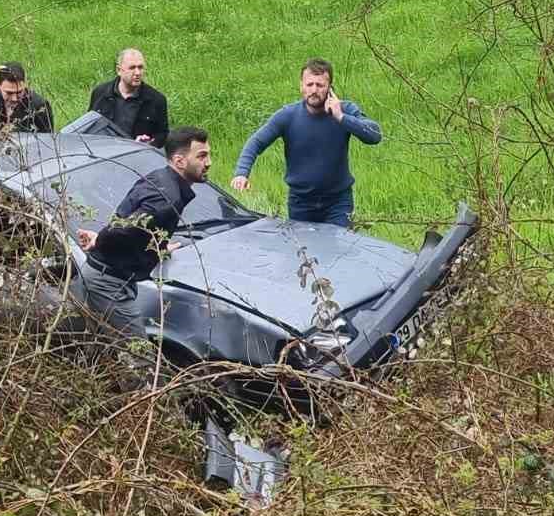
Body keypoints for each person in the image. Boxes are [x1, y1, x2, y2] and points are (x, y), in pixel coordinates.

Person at [75, 126, 211, 330]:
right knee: (140, 356)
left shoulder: (158, 177)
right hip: (108, 283)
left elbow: (127, 222)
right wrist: (101, 239)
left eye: (208, 155)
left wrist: (159, 247)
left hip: (108, 275)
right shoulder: (167, 198)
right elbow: (123, 229)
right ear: (179, 161)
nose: (208, 163)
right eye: (201, 156)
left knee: (103, 346)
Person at [230, 58, 382, 227]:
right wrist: (241, 173)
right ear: (301, 86)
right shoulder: (288, 115)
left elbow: (375, 135)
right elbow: (256, 142)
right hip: (300, 203)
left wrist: (341, 117)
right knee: (304, 252)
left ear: (330, 87)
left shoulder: (345, 110)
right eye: (309, 85)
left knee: (338, 251)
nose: (314, 90)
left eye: (320, 85)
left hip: (338, 203)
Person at [87, 48, 170, 147]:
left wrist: (148, 144)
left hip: (134, 157)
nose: (138, 73)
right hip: (103, 152)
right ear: (119, 70)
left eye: (140, 67)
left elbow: (163, 134)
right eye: (132, 68)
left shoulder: (157, 100)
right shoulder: (100, 93)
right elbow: (89, 125)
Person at [0, 62, 54, 132]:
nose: (14, 98)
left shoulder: (39, 106)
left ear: (25, 85)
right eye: (9, 93)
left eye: (19, 92)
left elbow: (48, 139)